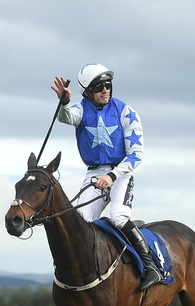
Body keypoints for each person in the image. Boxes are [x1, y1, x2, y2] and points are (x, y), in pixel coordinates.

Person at [51, 63, 162, 291]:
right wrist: (63, 102)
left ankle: (151, 267)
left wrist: (112, 176)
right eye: (99, 87)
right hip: (93, 174)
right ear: (86, 93)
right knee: (79, 222)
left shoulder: (125, 111)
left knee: (119, 217)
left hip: (121, 172)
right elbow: (66, 118)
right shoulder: (81, 109)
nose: (105, 90)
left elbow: (136, 155)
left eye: (108, 85)